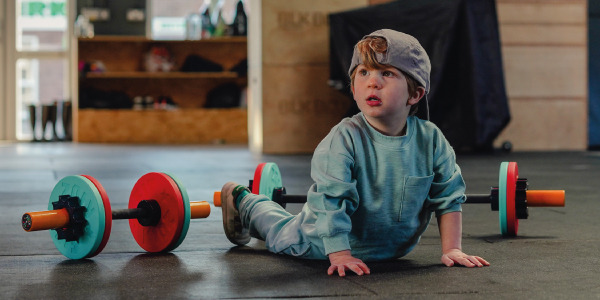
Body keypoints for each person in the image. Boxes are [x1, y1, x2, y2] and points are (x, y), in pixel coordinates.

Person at [220, 29, 489, 276]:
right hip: (317, 241)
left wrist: (452, 249)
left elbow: (448, 197)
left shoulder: (431, 140)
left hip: (391, 252)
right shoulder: (344, 139)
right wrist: (339, 254)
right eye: (363, 73)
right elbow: (331, 202)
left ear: (415, 93)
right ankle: (243, 200)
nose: (373, 82)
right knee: (278, 229)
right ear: (353, 87)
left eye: (387, 73)